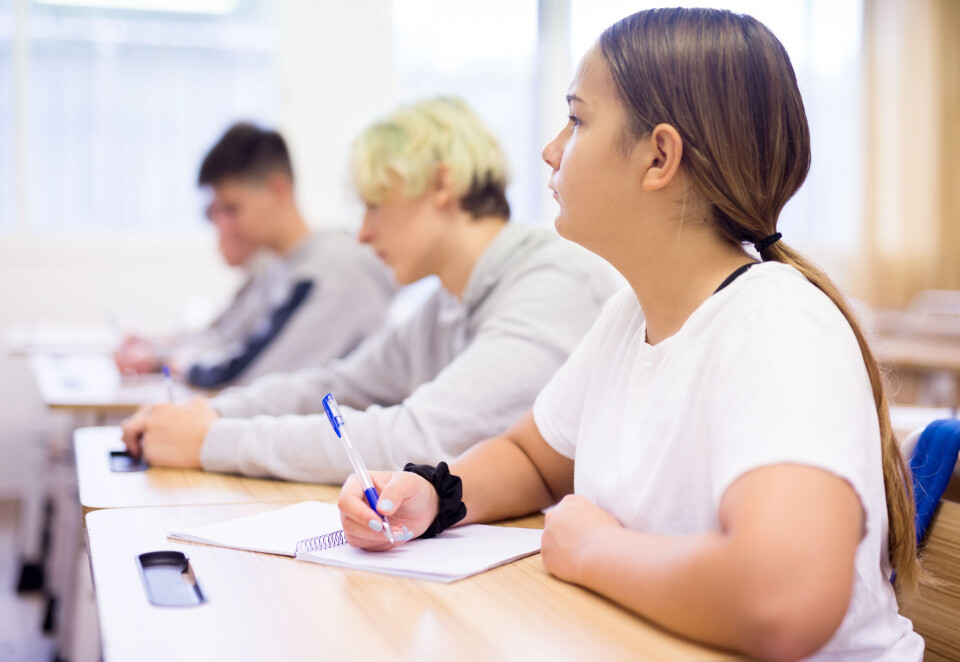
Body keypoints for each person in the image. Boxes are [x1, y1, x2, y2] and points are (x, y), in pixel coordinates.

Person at [336, 9, 924, 661]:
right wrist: (433, 495)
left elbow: (783, 602)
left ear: (659, 156)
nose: (552, 149)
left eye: (578, 120)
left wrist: (593, 550)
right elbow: (534, 458)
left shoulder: (778, 325)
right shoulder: (628, 316)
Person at [120, 97, 616, 484]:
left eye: (373, 205)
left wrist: (212, 441)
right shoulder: (444, 303)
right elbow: (336, 386)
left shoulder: (552, 283)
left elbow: (421, 438)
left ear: (442, 185)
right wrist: (210, 412)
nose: (361, 233)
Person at [114, 122, 395, 389]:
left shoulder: (330, 272)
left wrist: (171, 363)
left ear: (278, 190)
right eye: (213, 213)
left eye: (232, 209)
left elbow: (252, 376)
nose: (221, 225)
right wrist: (162, 353)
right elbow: (227, 339)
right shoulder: (277, 266)